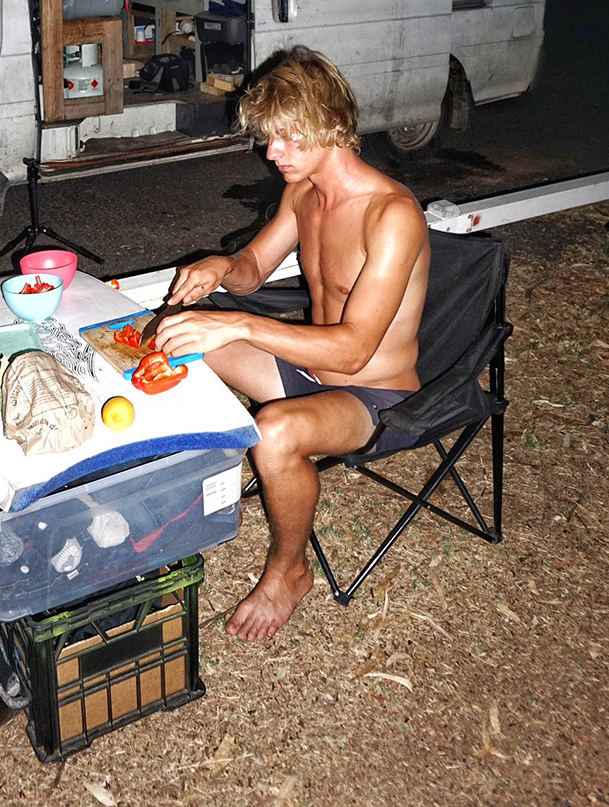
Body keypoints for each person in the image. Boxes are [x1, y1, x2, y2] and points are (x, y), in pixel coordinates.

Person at [154, 47, 429, 642]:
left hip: (376, 397)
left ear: (332, 126)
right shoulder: (304, 192)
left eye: (287, 137)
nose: (272, 152)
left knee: (275, 432)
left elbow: (354, 352)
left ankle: (289, 571)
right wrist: (221, 266)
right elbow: (254, 268)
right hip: (308, 369)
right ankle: (168, 489)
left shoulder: (391, 214)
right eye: (268, 137)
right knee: (173, 336)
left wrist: (241, 326)